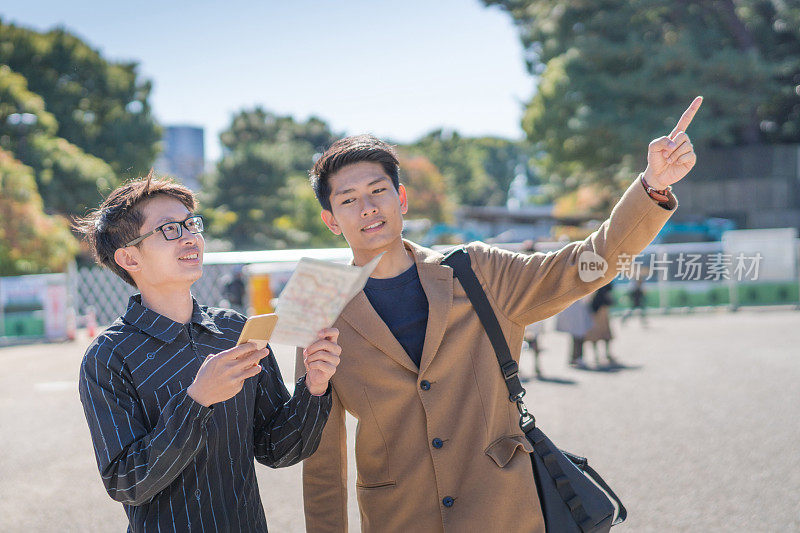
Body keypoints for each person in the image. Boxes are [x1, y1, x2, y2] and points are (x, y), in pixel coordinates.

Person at [298, 97, 701, 532]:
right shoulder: (317, 302)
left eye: (378, 191)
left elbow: (589, 264)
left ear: (402, 198)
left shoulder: (478, 271)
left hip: (503, 509)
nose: (368, 208)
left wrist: (652, 188)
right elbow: (320, 450)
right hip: (399, 517)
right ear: (331, 220)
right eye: (349, 199)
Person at [75, 175, 340, 532]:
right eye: (169, 229)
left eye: (191, 224)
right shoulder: (108, 357)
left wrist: (315, 386)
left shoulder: (235, 330)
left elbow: (277, 449)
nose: (190, 237)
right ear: (128, 258)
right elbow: (127, 482)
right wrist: (197, 401)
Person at [555, 296, 593, 368]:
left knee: (576, 337)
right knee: (578, 337)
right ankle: (577, 357)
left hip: (576, 312)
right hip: (577, 312)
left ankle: (575, 357)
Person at [585, 281, 618, 366]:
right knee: (603, 333)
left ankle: (598, 355)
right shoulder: (605, 277)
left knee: (598, 333)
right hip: (601, 308)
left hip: (595, 308)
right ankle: (605, 354)